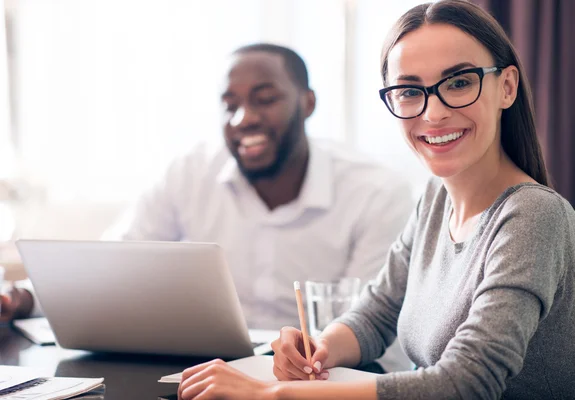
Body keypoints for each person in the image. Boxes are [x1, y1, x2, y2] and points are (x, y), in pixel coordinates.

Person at [175, 1, 575, 399]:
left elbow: (469, 381)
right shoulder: (435, 199)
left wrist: (274, 393)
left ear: (506, 87)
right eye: (409, 91)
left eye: (459, 83)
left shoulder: (534, 215)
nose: (433, 114)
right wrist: (319, 348)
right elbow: (375, 315)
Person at [0, 44, 413, 340]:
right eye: (229, 104)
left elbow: (368, 326)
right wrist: (21, 298)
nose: (243, 118)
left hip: (321, 374)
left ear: (307, 104)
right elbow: (113, 268)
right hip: (201, 370)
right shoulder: (189, 173)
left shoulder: (376, 193)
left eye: (264, 99)